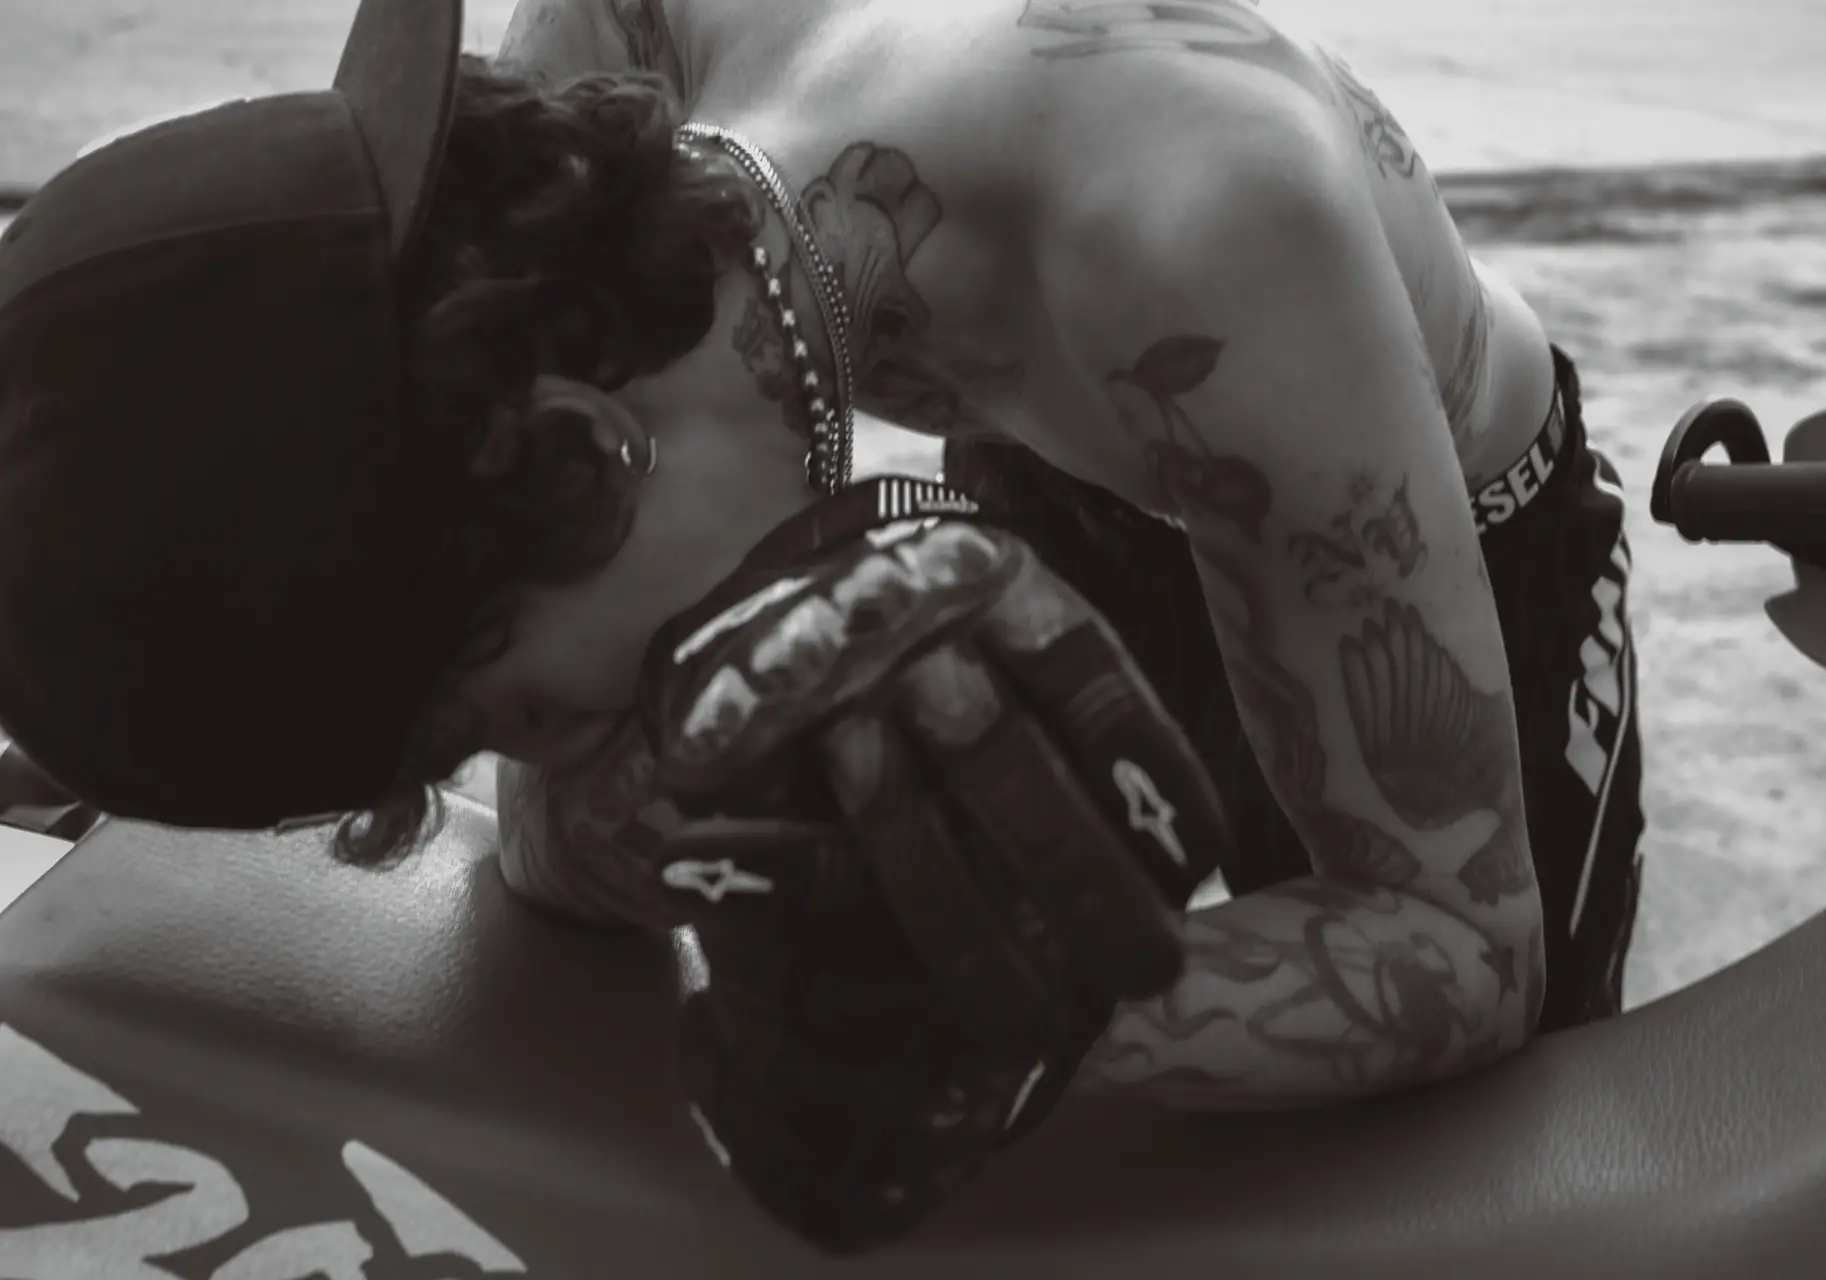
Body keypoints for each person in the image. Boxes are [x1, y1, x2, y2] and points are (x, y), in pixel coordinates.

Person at [0, 0, 1642, 1115]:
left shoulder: (1197, 221)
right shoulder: (600, 76)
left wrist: (941, 1003)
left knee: (1481, 1185)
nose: (567, 767)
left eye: (549, 712)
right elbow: (555, 854)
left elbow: (1456, 951)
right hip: (1069, 468)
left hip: (1435, 542)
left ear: (584, 444)